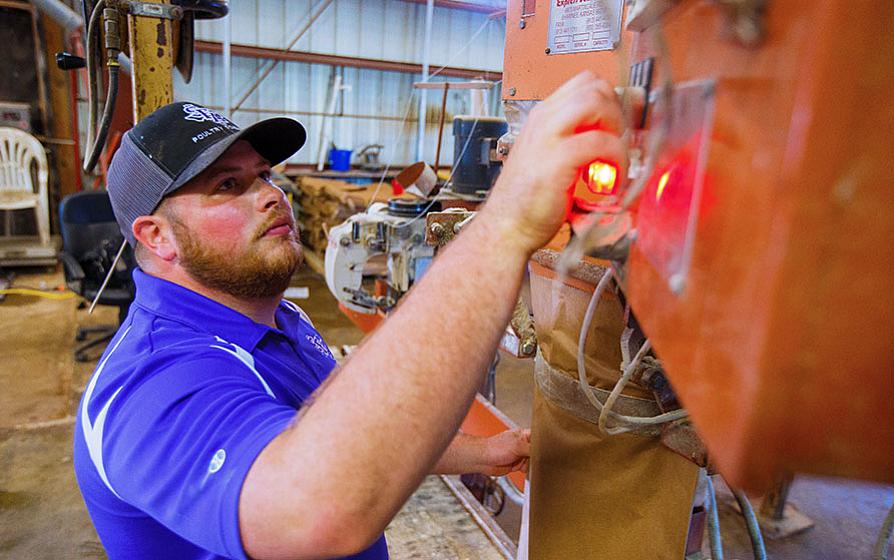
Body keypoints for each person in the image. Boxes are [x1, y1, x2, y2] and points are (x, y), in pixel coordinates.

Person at [73, 71, 625, 559]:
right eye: (228, 185)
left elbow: (341, 437)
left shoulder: (276, 318)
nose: (271, 195)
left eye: (264, 174)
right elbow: (312, 509)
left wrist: (480, 452)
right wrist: (505, 224)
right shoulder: (151, 383)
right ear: (157, 236)